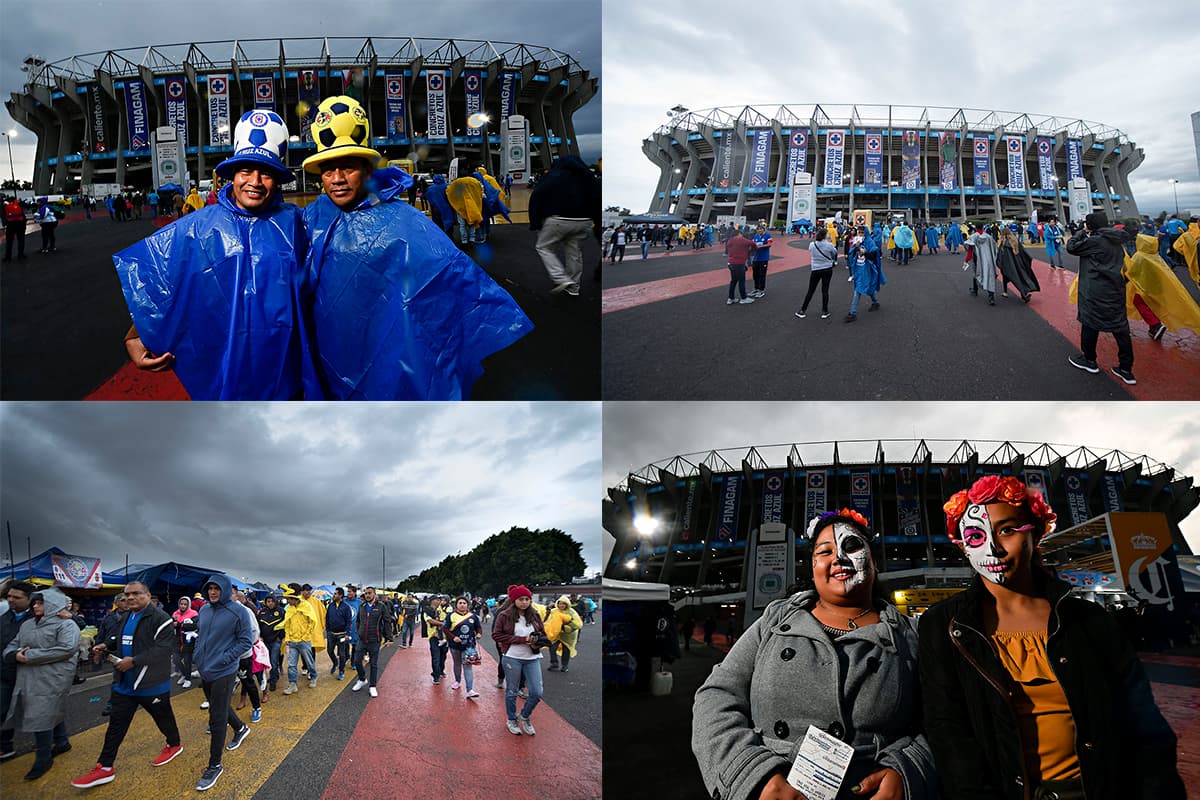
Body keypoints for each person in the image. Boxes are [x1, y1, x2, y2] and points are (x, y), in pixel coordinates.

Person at [920, 476, 1186, 800]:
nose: (993, 548)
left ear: (1036, 532)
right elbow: (949, 734)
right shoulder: (944, 627)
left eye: (1006, 530)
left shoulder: (1090, 621)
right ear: (962, 547)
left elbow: (1145, 728)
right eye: (975, 536)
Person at [300, 95, 533, 400]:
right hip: (331, 346)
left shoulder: (404, 220)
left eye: (348, 168)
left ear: (367, 171)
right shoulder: (312, 217)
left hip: (389, 352)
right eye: (329, 170)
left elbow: (446, 276)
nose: (338, 178)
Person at [693, 509, 935, 800]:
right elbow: (717, 695)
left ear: (874, 561)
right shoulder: (774, 621)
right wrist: (753, 774)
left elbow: (945, 718)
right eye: (825, 552)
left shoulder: (911, 635)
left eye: (852, 546)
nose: (838, 559)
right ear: (813, 566)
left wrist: (909, 771)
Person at [113, 110, 309, 400]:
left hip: (281, 366)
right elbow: (162, 283)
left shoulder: (296, 224)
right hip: (221, 361)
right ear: (232, 174)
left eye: (265, 173)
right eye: (246, 171)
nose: (254, 181)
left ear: (277, 180)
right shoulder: (196, 228)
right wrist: (137, 333)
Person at [71, 581, 184, 789]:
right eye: (127, 594)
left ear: (147, 595)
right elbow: (123, 639)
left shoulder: (162, 619)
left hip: (152, 685)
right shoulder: (126, 616)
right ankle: (105, 767)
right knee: (116, 725)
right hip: (124, 685)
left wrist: (133, 661)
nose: (130, 598)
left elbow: (163, 650)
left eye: (135, 593)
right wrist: (106, 645)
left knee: (164, 720)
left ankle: (174, 744)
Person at [2, 588, 80, 781]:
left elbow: (67, 648)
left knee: (41, 712)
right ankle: (61, 742)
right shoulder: (27, 625)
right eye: (34, 603)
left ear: (53, 603)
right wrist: (13, 655)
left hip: (53, 678)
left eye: (40, 602)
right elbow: (12, 645)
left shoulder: (67, 625)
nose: (35, 606)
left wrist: (27, 656)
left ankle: (43, 757)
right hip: (28, 677)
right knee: (49, 709)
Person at [190, 574, 254, 792]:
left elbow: (246, 641)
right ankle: (240, 727)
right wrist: (198, 657)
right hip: (205, 668)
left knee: (216, 716)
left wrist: (224, 659)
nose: (213, 592)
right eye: (210, 588)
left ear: (226, 589)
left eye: (217, 588)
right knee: (220, 706)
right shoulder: (205, 609)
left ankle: (214, 765)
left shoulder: (239, 611)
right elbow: (201, 636)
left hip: (225, 670)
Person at [1066, 211, 1136, 385]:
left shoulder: (1095, 241)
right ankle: (1126, 369)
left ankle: (1089, 360)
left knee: (1090, 324)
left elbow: (1072, 247)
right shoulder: (1117, 240)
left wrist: (1082, 231)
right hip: (1115, 289)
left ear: (1091, 225)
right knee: (1121, 329)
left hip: (1095, 290)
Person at [529, 154, 600, 296]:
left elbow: (537, 196)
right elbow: (597, 199)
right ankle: (574, 287)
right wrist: (596, 221)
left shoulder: (553, 177)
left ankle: (560, 278)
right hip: (584, 221)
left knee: (544, 247)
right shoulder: (589, 178)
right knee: (574, 253)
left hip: (558, 219)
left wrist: (536, 222)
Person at [492, 584, 546, 736]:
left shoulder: (535, 615)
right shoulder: (504, 615)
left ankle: (524, 716)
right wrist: (522, 639)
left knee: (536, 692)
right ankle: (511, 719)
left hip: (532, 657)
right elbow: (496, 635)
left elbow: (542, 633)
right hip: (512, 657)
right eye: (521, 599)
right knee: (512, 691)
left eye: (527, 599)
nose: (524, 602)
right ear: (514, 600)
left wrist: (537, 639)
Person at [0, 581, 34, 761]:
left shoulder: (38, 618)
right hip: (6, 673)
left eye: (16, 597)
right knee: (3, 710)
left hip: (32, 675)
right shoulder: (4, 618)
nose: (11, 600)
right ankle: (5, 746)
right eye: (9, 596)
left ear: (29, 600)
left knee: (36, 711)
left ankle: (53, 741)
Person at [352, 586, 393, 697]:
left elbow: (387, 622)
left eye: (369, 593)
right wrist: (359, 632)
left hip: (375, 640)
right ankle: (362, 679)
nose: (367, 595)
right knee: (356, 661)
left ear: (374, 594)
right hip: (362, 639)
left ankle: (372, 686)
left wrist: (389, 638)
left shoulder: (381, 606)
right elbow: (358, 621)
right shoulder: (362, 606)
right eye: (366, 593)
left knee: (373, 664)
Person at [280, 585, 318, 695]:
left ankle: (314, 676)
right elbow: (287, 624)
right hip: (292, 641)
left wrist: (305, 636)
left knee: (309, 662)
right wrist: (287, 638)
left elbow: (312, 622)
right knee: (291, 664)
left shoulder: (306, 606)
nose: (287, 601)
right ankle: (293, 684)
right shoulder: (289, 609)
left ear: (293, 598)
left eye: (288, 599)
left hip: (304, 641)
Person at [796, 226, 838, 319]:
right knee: (825, 290)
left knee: (811, 290)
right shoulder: (829, 245)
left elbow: (811, 252)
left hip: (815, 269)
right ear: (825, 235)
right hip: (827, 268)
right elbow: (834, 253)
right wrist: (829, 242)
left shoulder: (812, 244)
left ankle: (802, 310)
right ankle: (825, 311)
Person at [844, 226, 885, 322]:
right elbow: (852, 254)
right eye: (859, 232)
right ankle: (875, 302)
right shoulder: (857, 242)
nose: (860, 234)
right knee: (866, 287)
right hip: (859, 269)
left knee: (858, 290)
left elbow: (874, 256)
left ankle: (852, 313)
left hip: (867, 270)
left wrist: (865, 253)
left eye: (862, 233)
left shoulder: (870, 242)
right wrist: (856, 248)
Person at [445, 596, 482, 699]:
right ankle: (457, 681)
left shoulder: (473, 616)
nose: (462, 605)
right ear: (456, 605)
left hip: (469, 646)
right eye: (460, 603)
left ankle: (470, 690)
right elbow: (445, 629)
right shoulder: (451, 616)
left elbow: (478, 627)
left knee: (467, 666)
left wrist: (479, 634)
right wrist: (453, 637)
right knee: (457, 664)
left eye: (464, 603)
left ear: (467, 605)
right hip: (455, 646)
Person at [996, 227, 1040, 303]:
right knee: (1020, 278)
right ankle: (1024, 293)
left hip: (1007, 266)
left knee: (1007, 278)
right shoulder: (1015, 241)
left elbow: (1000, 255)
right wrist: (1027, 260)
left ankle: (1009, 293)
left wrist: (1000, 264)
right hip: (1018, 264)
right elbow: (1023, 252)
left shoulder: (1004, 244)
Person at [545, 595, 582, 673]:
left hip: (568, 636)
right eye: (560, 603)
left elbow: (578, 624)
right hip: (556, 634)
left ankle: (565, 666)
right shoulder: (554, 611)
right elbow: (547, 618)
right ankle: (554, 664)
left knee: (566, 650)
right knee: (552, 648)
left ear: (567, 604)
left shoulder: (571, 612)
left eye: (563, 604)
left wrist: (567, 624)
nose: (561, 605)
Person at [256, 594, 285, 693]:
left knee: (274, 661)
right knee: (265, 662)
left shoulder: (281, 611)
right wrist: (260, 636)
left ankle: (273, 682)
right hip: (265, 641)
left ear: (275, 601)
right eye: (268, 601)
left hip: (276, 640)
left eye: (272, 601)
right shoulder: (262, 612)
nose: (270, 603)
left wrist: (280, 637)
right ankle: (274, 676)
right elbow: (258, 625)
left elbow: (285, 624)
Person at [325, 587, 352, 680]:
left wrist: (347, 634)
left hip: (342, 634)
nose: (334, 595)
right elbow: (327, 618)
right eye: (334, 594)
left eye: (336, 594)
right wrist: (328, 630)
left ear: (340, 595)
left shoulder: (346, 607)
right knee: (329, 651)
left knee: (342, 654)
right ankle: (335, 663)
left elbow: (349, 621)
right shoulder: (330, 606)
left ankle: (341, 671)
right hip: (331, 633)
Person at [422, 594, 449, 685]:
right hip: (433, 636)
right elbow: (430, 620)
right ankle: (436, 676)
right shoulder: (426, 610)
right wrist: (442, 624)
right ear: (432, 600)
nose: (440, 601)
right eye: (438, 600)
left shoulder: (441, 610)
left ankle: (441, 670)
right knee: (435, 656)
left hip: (445, 636)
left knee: (443, 655)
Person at [725, 227, 757, 305]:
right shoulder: (741, 240)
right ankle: (743, 298)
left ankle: (731, 298)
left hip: (731, 263)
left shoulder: (730, 241)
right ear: (739, 234)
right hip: (739, 263)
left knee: (733, 281)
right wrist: (751, 250)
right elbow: (753, 244)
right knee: (741, 281)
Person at [172, 596, 198, 689]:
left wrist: (180, 625)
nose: (183, 606)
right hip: (177, 640)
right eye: (181, 604)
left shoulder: (193, 613)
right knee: (176, 659)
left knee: (187, 661)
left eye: (185, 604)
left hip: (188, 641)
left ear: (189, 605)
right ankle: (184, 674)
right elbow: (172, 624)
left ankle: (188, 679)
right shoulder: (176, 613)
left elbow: (195, 626)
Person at [750, 224, 773, 297]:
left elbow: (770, 244)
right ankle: (756, 288)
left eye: (761, 229)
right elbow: (752, 244)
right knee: (755, 274)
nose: (759, 230)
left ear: (764, 229)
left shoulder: (767, 235)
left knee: (762, 274)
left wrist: (760, 246)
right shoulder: (756, 236)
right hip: (756, 258)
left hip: (764, 258)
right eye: (758, 229)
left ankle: (761, 290)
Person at [2, 196, 27, 262]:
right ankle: (21, 255)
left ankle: (8, 257)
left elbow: (3, 215)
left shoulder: (5, 206)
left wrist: (5, 223)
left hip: (10, 225)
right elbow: (23, 215)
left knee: (9, 241)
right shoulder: (19, 205)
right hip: (20, 224)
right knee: (21, 240)